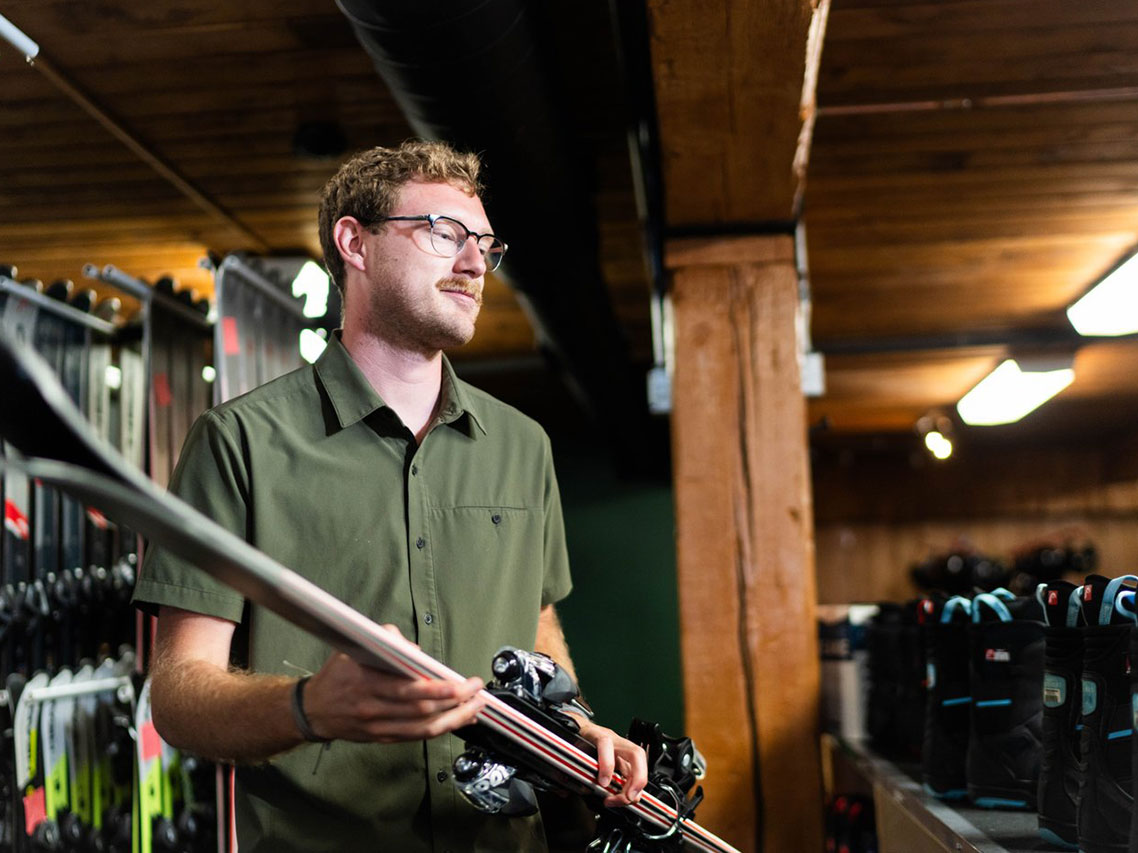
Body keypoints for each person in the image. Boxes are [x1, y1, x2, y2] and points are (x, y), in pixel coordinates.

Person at [132, 140, 647, 852]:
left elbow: (534, 621)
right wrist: (308, 707)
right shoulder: (237, 442)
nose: (475, 264)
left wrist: (572, 724)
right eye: (445, 233)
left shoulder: (522, 444)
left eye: (486, 246)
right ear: (356, 244)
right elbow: (180, 695)